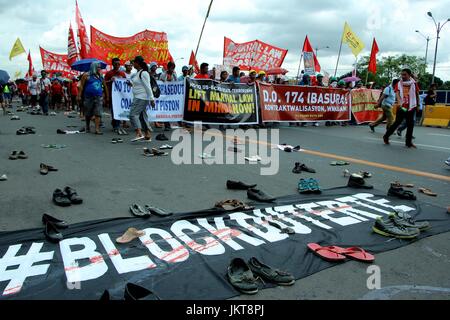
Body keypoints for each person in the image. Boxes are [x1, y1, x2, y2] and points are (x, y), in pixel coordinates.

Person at [383, 68, 420, 148]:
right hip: (402, 107)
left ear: (409, 75)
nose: (402, 76)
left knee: (410, 125)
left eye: (404, 74)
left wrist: (418, 105)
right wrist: (400, 102)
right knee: (397, 123)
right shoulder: (399, 83)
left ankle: (408, 142)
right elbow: (397, 94)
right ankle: (386, 136)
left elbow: (417, 94)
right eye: (402, 74)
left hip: (411, 106)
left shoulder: (414, 83)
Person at [127, 56, 155, 142]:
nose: (133, 64)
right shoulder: (138, 73)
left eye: (134, 62)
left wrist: (152, 99)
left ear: (138, 63)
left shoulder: (144, 73)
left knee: (133, 114)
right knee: (142, 117)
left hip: (141, 98)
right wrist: (131, 84)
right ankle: (147, 135)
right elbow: (139, 85)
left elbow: (148, 86)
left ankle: (139, 133)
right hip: (139, 97)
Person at [78, 62, 108, 135]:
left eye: (100, 67)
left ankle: (97, 129)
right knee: (88, 112)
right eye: (98, 67)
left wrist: (107, 96)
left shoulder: (100, 76)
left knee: (98, 113)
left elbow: (105, 86)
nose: (100, 69)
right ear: (94, 67)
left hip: (98, 97)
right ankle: (87, 126)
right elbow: (81, 86)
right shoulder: (86, 75)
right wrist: (79, 95)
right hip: (88, 97)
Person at [105, 58, 127, 134]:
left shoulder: (122, 74)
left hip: (121, 96)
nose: (117, 65)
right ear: (113, 64)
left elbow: (126, 84)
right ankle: (116, 125)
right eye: (115, 64)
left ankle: (117, 123)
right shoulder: (109, 73)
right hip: (112, 95)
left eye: (118, 64)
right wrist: (110, 81)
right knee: (114, 110)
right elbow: (104, 83)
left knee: (120, 110)